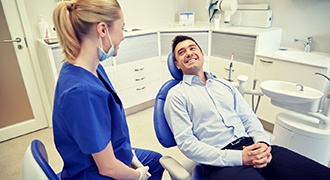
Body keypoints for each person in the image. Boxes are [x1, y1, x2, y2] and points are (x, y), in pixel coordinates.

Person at [164, 35, 330, 180]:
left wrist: (263, 143)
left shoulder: (225, 85)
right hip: (220, 162)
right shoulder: (177, 95)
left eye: (192, 48)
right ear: (177, 64)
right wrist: (239, 157)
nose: (188, 53)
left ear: (202, 54)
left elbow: (248, 117)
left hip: (254, 146)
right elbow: (188, 144)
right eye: (181, 52)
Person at [52, 0, 164, 179]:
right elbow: (108, 168)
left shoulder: (90, 68)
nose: (123, 36)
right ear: (102, 30)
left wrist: (129, 154)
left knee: (156, 161)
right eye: (122, 28)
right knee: (151, 169)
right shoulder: (82, 92)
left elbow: (107, 128)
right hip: (94, 173)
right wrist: (137, 175)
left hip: (111, 154)